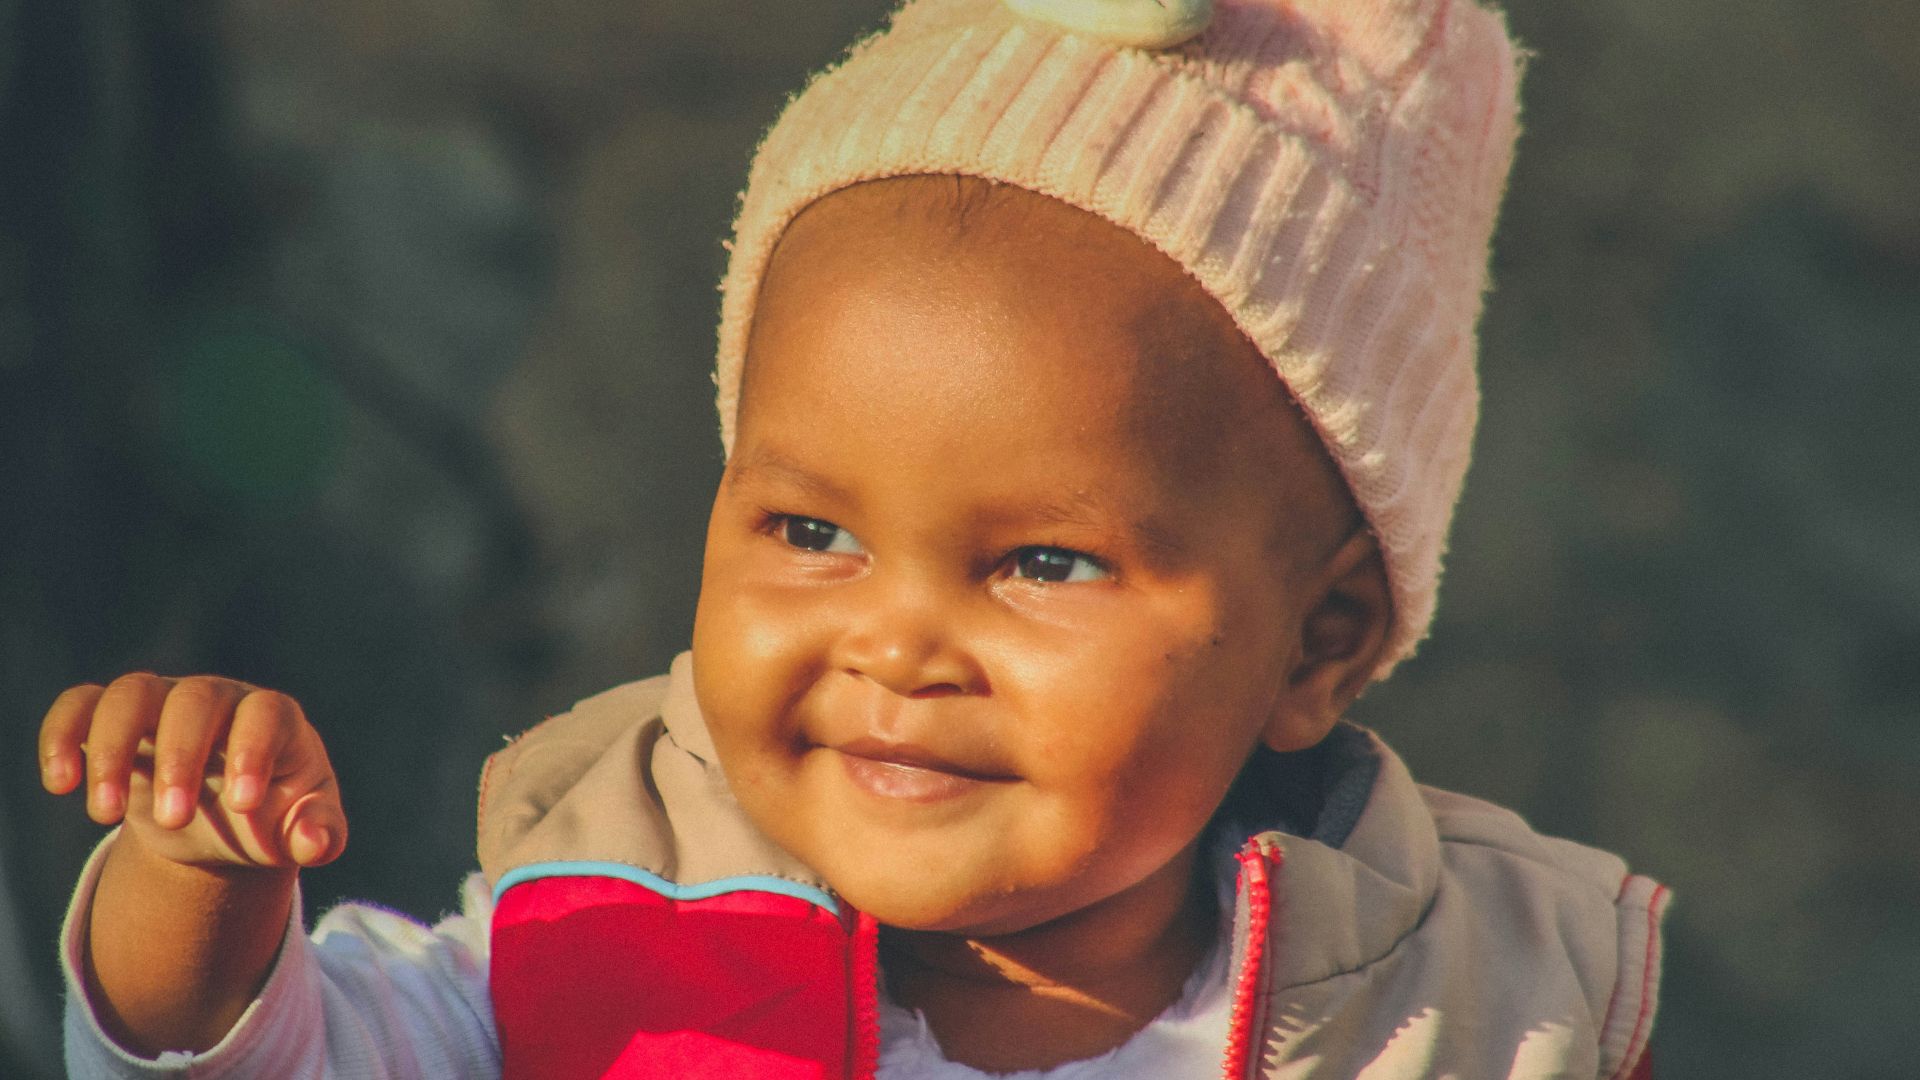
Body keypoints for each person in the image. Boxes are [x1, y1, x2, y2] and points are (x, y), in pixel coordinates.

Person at [37, 0, 1670, 1076]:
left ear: (1319, 641)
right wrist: (198, 876)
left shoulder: (1487, 1020)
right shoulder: (602, 941)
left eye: (1042, 562)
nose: (894, 644)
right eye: (814, 529)